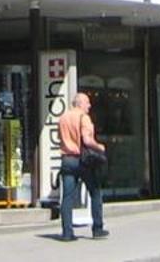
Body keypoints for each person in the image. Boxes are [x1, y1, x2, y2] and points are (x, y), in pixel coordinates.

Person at [56, 90, 105, 241]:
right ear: (80, 103)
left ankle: (67, 232)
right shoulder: (84, 118)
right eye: (87, 102)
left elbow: (60, 138)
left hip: (67, 160)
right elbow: (87, 140)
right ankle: (97, 229)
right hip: (82, 160)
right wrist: (100, 147)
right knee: (95, 192)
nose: (89, 106)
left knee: (67, 197)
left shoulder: (63, 118)